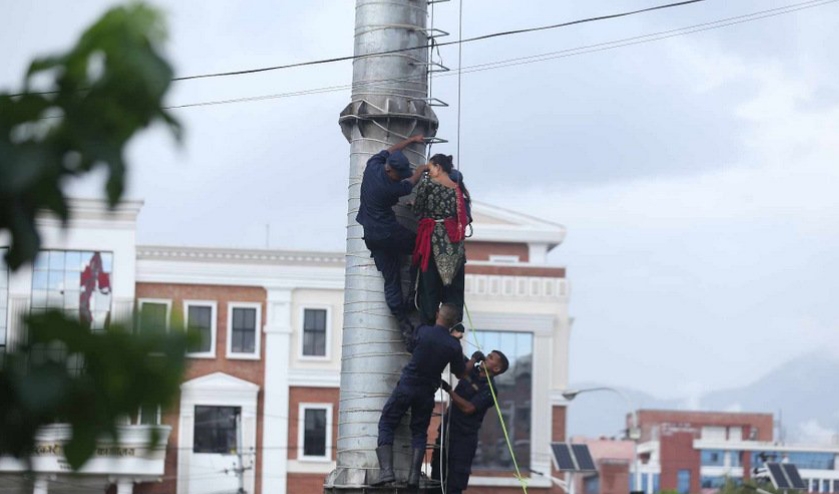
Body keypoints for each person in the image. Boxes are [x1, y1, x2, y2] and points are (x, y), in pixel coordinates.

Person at [374, 303, 482, 488]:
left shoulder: (423, 331)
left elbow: (411, 346)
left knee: (387, 423)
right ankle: (414, 477)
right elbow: (461, 373)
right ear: (454, 323)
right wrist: (473, 359)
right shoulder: (453, 346)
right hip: (426, 392)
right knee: (419, 432)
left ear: (438, 313)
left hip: (408, 386)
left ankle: (386, 472)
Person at [356, 134, 427, 336]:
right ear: (389, 170)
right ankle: (414, 291)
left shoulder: (373, 166)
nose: (402, 176)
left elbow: (391, 150)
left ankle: (402, 321)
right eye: (400, 173)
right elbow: (411, 183)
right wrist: (421, 169)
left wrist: (411, 140)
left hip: (372, 236)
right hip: (389, 233)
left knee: (391, 278)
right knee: (421, 247)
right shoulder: (390, 187)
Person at [431, 349, 510, 494]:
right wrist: (473, 358)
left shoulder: (490, 390)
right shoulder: (470, 371)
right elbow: (456, 356)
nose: (486, 357)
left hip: (463, 440)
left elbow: (468, 408)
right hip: (448, 430)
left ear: (496, 368)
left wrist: (449, 390)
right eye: (488, 355)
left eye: (491, 358)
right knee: (436, 476)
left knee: (453, 484)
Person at [411, 154, 471, 325]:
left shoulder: (428, 184)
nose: (429, 172)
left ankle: (429, 318)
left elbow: (418, 209)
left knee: (428, 284)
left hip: (433, 240)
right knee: (452, 288)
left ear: (437, 167)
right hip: (453, 245)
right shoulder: (456, 188)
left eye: (430, 168)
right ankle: (452, 321)